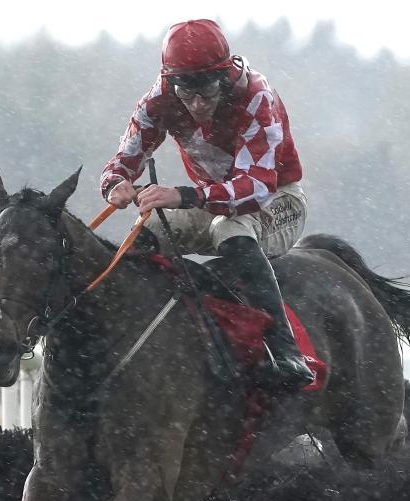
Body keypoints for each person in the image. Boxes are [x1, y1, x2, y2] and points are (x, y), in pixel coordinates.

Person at [100, 18, 315, 390]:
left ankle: (285, 350)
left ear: (226, 78)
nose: (197, 104)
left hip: (277, 198)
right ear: (171, 84)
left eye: (207, 91)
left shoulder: (257, 97)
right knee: (145, 232)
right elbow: (125, 158)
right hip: (214, 199)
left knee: (229, 228)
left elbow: (256, 186)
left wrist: (185, 196)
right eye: (186, 93)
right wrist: (115, 183)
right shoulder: (159, 98)